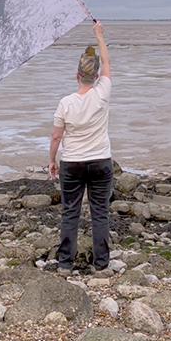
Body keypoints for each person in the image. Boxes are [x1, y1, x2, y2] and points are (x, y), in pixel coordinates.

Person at [48, 19, 113, 276]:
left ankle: (65, 264)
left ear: (77, 75)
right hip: (100, 161)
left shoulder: (66, 103)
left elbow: (56, 136)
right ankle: (101, 264)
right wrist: (99, 36)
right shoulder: (102, 92)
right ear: (96, 77)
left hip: (72, 163)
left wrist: (51, 160)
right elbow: (106, 62)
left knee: (70, 213)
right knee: (100, 213)